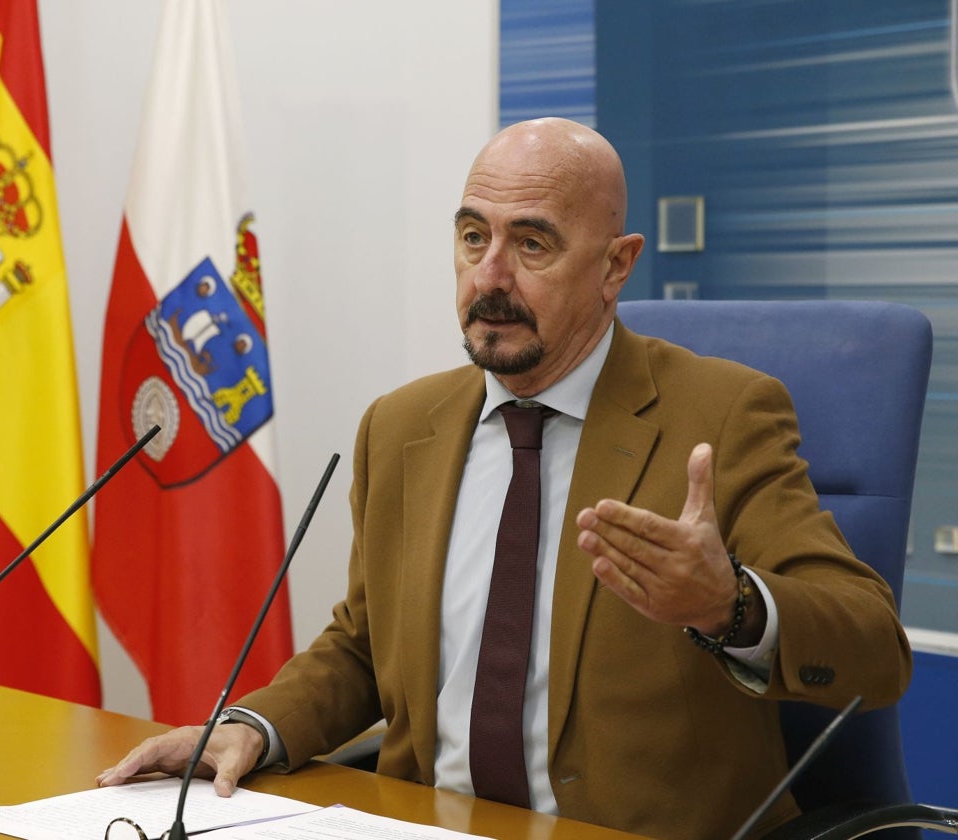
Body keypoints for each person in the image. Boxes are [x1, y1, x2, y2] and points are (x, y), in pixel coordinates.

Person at [98, 117, 912, 840]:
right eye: (472, 237)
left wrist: (728, 605)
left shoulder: (723, 416)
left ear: (615, 266)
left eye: (532, 244)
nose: (490, 277)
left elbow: (876, 650)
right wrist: (253, 725)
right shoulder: (401, 426)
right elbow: (364, 646)